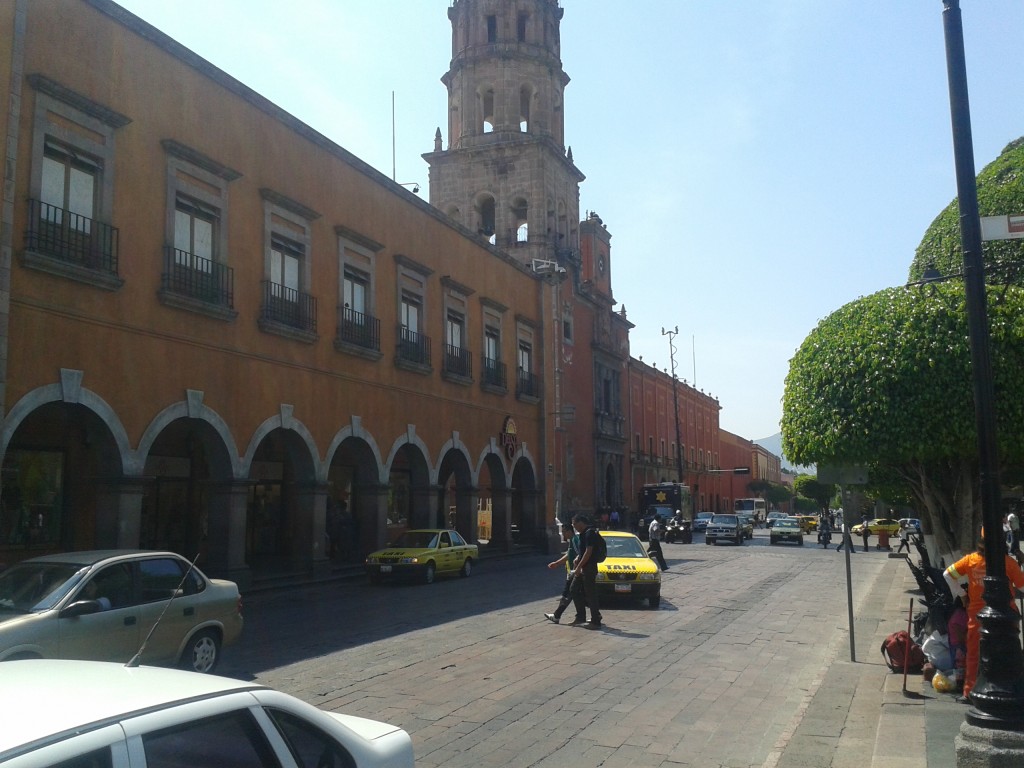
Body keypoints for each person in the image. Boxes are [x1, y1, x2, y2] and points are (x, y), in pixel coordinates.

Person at [942, 527, 1024, 703]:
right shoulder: (1008, 563)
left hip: (977, 617)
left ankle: (969, 692)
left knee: (974, 654)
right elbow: (1022, 586)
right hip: (1006, 617)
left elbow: (947, 574)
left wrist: (963, 595)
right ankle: (1009, 690)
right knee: (1007, 654)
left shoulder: (971, 561)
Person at [544, 522, 585, 624]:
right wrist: (557, 563)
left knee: (567, 594)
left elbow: (580, 554)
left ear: (569, 531)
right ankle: (584, 616)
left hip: (574, 572)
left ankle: (557, 615)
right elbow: (569, 554)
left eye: (563, 532)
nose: (563, 534)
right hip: (573, 572)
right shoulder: (572, 541)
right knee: (575, 595)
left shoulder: (575, 540)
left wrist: (576, 569)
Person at [570, 514, 603, 629]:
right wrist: (577, 558)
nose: (574, 527)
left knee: (590, 593)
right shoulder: (583, 534)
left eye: (574, 524)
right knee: (574, 589)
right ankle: (581, 617)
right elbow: (583, 551)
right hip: (583, 566)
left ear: (581, 522)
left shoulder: (590, 533)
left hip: (589, 567)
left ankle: (595, 620)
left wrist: (579, 567)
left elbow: (588, 552)